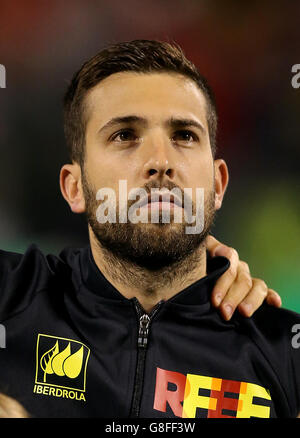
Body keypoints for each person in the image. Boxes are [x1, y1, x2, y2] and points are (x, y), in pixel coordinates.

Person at [0, 39, 297, 419]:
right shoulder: (13, 297)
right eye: (124, 135)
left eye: (184, 136)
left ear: (218, 184)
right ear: (75, 187)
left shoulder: (283, 351)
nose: (160, 161)